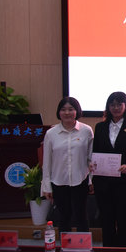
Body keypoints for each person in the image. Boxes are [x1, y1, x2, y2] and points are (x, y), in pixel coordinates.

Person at [92, 92, 126, 247]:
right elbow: (96, 151)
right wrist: (93, 164)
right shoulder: (100, 127)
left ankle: (124, 248)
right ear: (108, 107)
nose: (115, 108)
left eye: (119, 104)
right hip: (103, 180)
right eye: (112, 104)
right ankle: (108, 248)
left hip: (123, 179)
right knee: (106, 216)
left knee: (123, 216)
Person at [41, 97, 93, 232]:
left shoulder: (86, 131)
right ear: (59, 112)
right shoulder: (51, 134)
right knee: (63, 217)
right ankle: (65, 244)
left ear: (77, 111)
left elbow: (91, 159)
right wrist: (46, 186)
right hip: (59, 181)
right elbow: (47, 162)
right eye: (63, 110)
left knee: (81, 216)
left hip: (80, 180)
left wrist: (91, 180)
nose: (67, 113)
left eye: (71, 109)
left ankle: (83, 244)